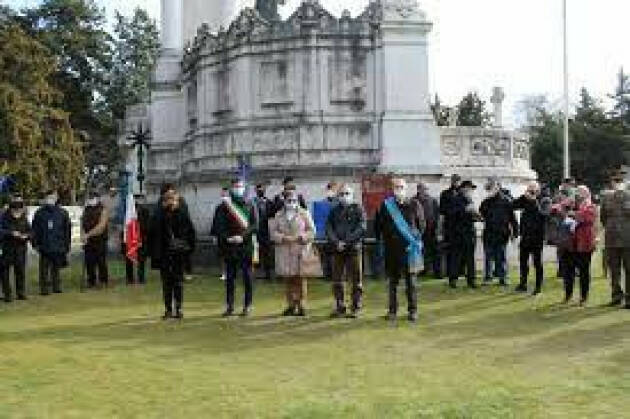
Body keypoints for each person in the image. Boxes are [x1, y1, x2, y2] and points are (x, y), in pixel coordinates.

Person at [375, 178, 425, 322]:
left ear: (406, 188)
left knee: (411, 283)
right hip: (392, 250)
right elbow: (379, 225)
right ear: (392, 189)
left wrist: (416, 240)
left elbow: (422, 224)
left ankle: (413, 311)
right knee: (393, 283)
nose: (399, 189)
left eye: (402, 186)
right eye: (397, 187)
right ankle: (392, 311)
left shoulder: (415, 204)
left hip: (409, 250)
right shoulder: (386, 206)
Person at [149, 184, 196, 319]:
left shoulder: (182, 210)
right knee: (166, 283)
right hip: (164, 253)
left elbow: (189, 231)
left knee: (178, 282)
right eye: (167, 197)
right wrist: (163, 211)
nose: (170, 200)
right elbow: (152, 229)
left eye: (172, 196)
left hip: (178, 253)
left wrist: (187, 248)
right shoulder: (159, 211)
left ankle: (179, 308)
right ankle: (168, 309)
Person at [214, 178, 259, 317]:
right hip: (229, 246)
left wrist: (242, 237)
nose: (237, 188)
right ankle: (230, 306)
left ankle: (248, 305)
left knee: (247, 277)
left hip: (245, 246)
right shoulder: (222, 207)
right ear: (231, 188)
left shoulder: (251, 204)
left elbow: (255, 225)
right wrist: (227, 237)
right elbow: (218, 225)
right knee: (230, 278)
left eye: (240, 186)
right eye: (235, 186)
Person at [271, 188, 316, 316]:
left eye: (294, 200)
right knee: (288, 280)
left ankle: (301, 305)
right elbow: (273, 232)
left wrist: (301, 237)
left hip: (300, 250)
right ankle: (290, 305)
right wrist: (283, 238)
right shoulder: (278, 215)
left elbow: (312, 231)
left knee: (300, 279)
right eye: (289, 200)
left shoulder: (304, 213)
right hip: (284, 251)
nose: (291, 202)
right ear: (284, 201)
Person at [326, 184, 366, 318]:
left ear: (352, 195)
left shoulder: (358, 209)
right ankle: (340, 306)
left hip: (353, 248)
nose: (344, 196)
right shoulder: (334, 210)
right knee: (337, 280)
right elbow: (329, 227)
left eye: (347, 193)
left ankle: (356, 307)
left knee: (356, 280)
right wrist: (336, 242)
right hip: (337, 249)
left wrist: (346, 242)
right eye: (342, 194)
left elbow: (361, 227)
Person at [512, 181, 552, 295]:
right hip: (525, 235)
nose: (531, 191)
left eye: (533, 189)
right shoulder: (525, 199)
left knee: (537, 262)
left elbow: (544, 215)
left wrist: (534, 201)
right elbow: (513, 205)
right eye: (529, 189)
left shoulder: (545, 200)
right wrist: (523, 197)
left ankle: (538, 286)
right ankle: (523, 283)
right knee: (523, 261)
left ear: (538, 190)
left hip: (537, 236)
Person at [479, 178, 518, 286]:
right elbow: (481, 214)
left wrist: (515, 233)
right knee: (488, 257)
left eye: (492, 187)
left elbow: (512, 219)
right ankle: (488, 277)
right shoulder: (486, 202)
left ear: (498, 187)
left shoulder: (506, 201)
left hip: (502, 233)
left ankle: (503, 277)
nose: (490, 190)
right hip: (489, 232)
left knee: (501, 256)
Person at [600, 168, 630, 308]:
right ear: (612, 182)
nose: (617, 183)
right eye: (615, 180)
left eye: (620, 181)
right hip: (611, 238)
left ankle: (629, 299)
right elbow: (603, 218)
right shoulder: (606, 197)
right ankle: (616, 296)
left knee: (629, 269)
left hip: (627, 239)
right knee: (614, 270)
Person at [32, 190, 71, 295]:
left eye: (53, 197)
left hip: (58, 245)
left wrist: (67, 245)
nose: (51, 199)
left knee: (56, 268)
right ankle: (44, 288)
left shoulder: (63, 213)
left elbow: (67, 230)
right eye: (49, 197)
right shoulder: (39, 213)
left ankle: (56, 286)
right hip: (44, 245)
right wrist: (35, 243)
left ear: (57, 198)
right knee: (44, 268)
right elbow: (34, 229)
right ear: (45, 198)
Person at [446, 180, 480, 289]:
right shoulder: (455, 199)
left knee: (470, 258)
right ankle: (453, 279)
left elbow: (473, 216)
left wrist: (477, 216)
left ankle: (471, 280)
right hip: (458, 233)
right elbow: (450, 214)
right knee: (456, 257)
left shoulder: (470, 200)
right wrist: (464, 210)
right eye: (470, 188)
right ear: (464, 188)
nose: (471, 191)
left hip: (470, 232)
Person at [0, 196, 31, 301]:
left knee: (20, 271)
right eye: (15, 210)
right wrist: (11, 233)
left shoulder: (24, 218)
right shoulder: (3, 217)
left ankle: (20, 292)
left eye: (20, 209)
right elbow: (1, 231)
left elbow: (30, 231)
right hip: (7, 248)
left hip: (20, 249)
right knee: (4, 272)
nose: (18, 212)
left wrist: (27, 236)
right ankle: (7, 294)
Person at [81, 192, 109, 288]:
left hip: (99, 240)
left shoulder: (103, 210)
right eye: (90, 198)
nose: (91, 200)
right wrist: (83, 235)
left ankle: (103, 281)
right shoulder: (86, 209)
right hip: (88, 241)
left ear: (97, 198)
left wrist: (88, 235)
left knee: (101, 262)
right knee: (89, 262)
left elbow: (101, 226)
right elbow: (82, 224)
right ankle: (91, 281)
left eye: (93, 198)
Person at [313, 182, 339, 282]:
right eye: (330, 189)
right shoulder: (322, 203)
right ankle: (327, 274)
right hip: (323, 234)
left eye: (333, 189)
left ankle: (334, 275)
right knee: (325, 256)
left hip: (335, 234)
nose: (331, 191)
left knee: (334, 256)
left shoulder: (338, 203)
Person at [415, 182, 441, 278]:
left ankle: (437, 272)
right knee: (420, 252)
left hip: (432, 230)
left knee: (435, 251)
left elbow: (437, 215)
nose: (426, 191)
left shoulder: (433, 200)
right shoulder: (413, 201)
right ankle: (421, 271)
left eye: (427, 189)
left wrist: (438, 230)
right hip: (418, 231)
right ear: (419, 190)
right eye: (424, 189)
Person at [124, 194, 150, 284]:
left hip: (141, 237)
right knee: (129, 258)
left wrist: (138, 231)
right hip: (130, 238)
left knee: (141, 260)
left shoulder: (145, 211)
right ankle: (130, 278)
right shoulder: (127, 212)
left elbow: (147, 226)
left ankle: (141, 278)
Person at [440, 174, 462, 278]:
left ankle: (459, 271)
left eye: (457, 181)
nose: (456, 183)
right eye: (454, 181)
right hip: (449, 226)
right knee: (450, 250)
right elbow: (442, 211)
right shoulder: (445, 194)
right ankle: (450, 272)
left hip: (461, 227)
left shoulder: (462, 194)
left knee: (460, 251)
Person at [254, 183, 275, 281]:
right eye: (258, 189)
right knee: (256, 253)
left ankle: (268, 274)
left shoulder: (270, 203)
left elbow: (273, 215)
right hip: (255, 231)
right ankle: (256, 274)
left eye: (262, 189)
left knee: (267, 253)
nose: (260, 191)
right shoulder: (252, 203)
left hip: (267, 232)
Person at [210, 187, 230, 281]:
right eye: (223, 195)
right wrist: (214, 235)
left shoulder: (234, 208)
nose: (224, 196)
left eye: (225, 195)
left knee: (231, 255)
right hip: (221, 235)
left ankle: (231, 272)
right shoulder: (218, 208)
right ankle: (223, 272)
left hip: (230, 235)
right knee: (222, 255)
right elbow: (215, 221)